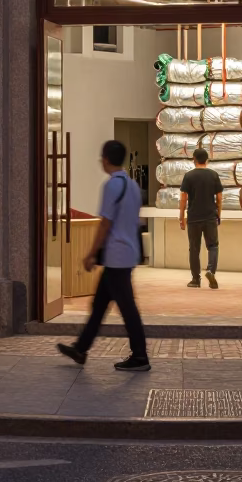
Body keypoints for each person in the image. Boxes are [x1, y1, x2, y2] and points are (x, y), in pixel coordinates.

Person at [56, 140, 150, 372]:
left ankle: (140, 357)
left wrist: (90, 254)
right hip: (126, 254)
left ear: (106, 159)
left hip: (116, 255)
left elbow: (105, 223)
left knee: (127, 308)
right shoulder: (133, 186)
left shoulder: (111, 186)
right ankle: (80, 349)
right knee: (99, 305)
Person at [179, 147, 223, 289]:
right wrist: (219, 214)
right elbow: (220, 198)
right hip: (210, 216)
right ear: (207, 160)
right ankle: (211, 270)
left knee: (194, 248)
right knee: (213, 246)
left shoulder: (189, 176)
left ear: (194, 160)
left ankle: (195, 280)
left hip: (194, 217)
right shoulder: (214, 175)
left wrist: (181, 217)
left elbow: (183, 198)